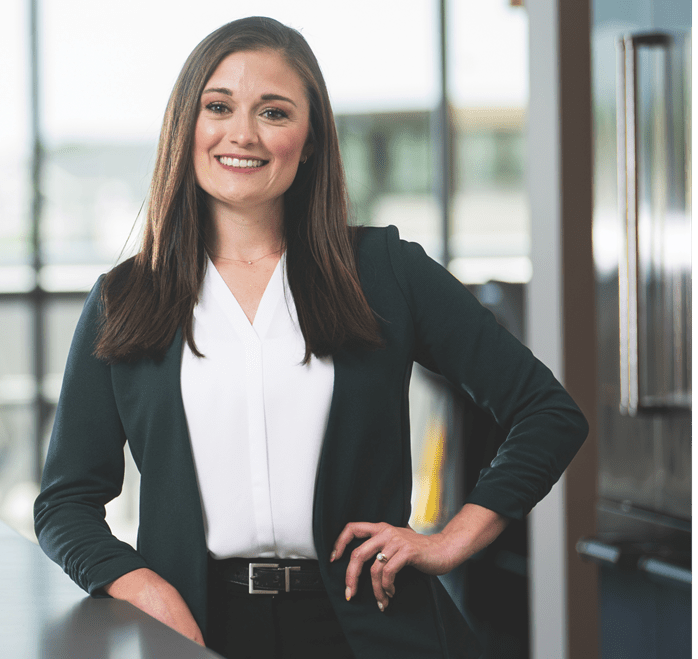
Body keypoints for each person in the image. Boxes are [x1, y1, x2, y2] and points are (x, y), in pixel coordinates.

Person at [33, 16, 587, 659]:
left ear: (311, 139)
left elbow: (547, 413)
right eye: (218, 107)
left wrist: (449, 540)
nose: (242, 134)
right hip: (198, 630)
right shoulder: (125, 298)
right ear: (186, 125)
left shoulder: (384, 272)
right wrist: (145, 588)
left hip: (368, 628)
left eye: (273, 112)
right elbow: (66, 503)